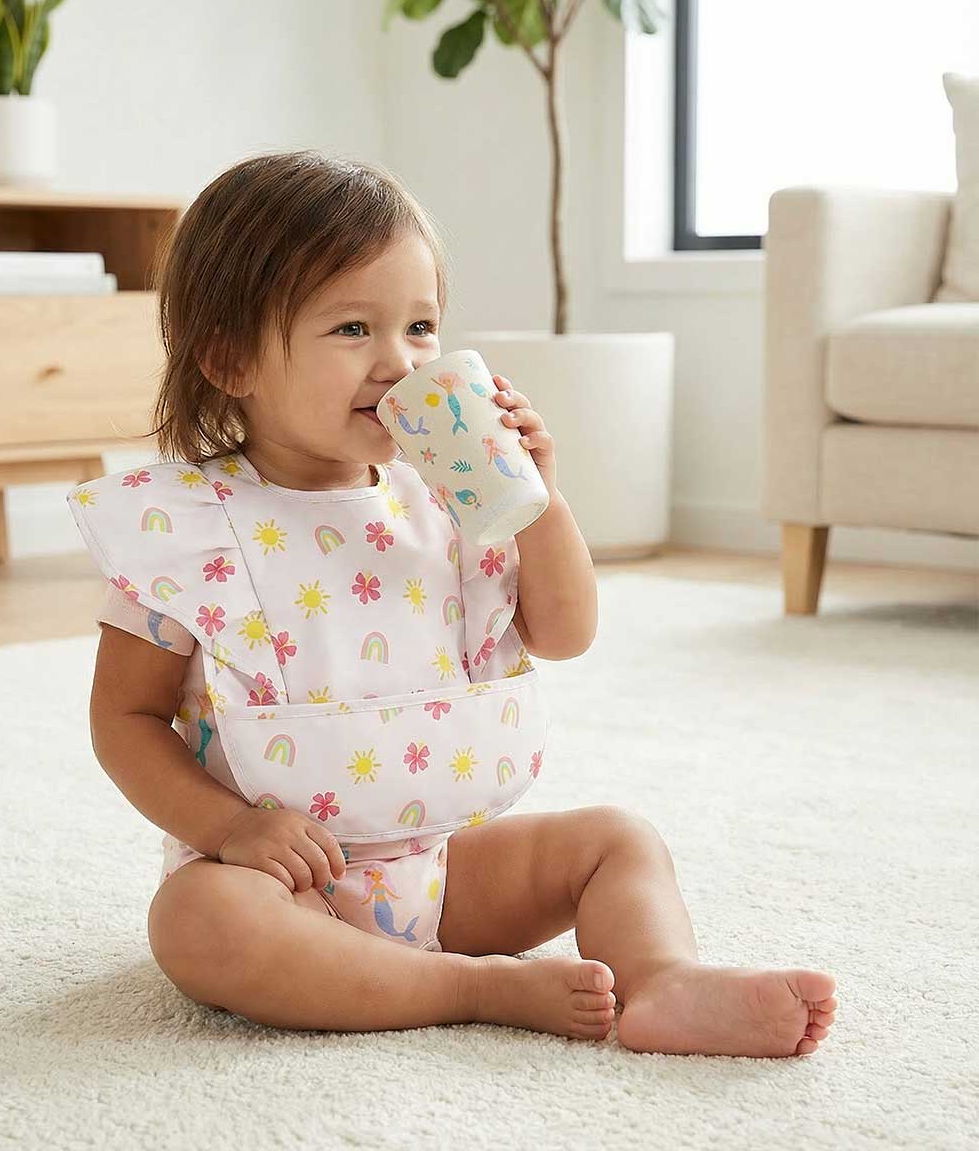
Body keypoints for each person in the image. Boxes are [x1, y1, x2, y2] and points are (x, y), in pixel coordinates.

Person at [76, 149, 837, 1055]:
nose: (399, 362)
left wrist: (537, 499)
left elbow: (564, 633)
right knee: (197, 923)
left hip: (440, 866)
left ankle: (664, 981)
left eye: (421, 327)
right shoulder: (187, 529)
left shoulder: (450, 496)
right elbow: (124, 718)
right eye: (352, 328)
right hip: (286, 887)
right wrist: (231, 829)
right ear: (230, 358)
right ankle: (470, 987)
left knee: (617, 840)